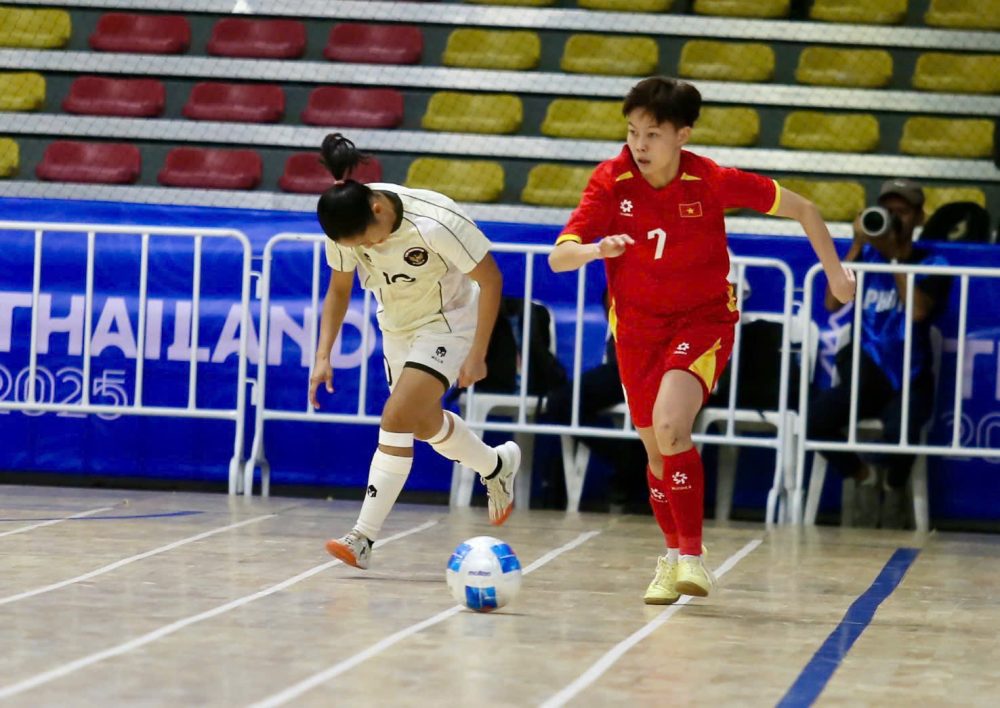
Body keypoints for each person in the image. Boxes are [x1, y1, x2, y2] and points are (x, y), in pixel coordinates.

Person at [547, 77, 856, 604]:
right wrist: (598, 249)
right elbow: (559, 257)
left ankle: (692, 556)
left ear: (682, 135)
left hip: (702, 322)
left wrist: (835, 274)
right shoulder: (611, 180)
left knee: (672, 425)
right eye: (632, 132)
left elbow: (805, 209)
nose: (639, 144)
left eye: (652, 134)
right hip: (637, 331)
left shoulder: (710, 180)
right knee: (656, 452)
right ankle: (671, 558)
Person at [309, 134, 520, 569]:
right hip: (397, 325)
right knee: (423, 425)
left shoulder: (436, 221)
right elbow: (339, 289)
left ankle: (362, 537)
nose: (367, 250)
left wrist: (478, 353)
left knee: (395, 417)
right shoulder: (345, 225)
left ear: (379, 209)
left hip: (448, 321)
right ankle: (496, 465)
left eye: (368, 241)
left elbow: (491, 279)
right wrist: (322, 354)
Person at [810, 178, 951, 528]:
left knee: (904, 430)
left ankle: (894, 485)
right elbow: (831, 303)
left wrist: (895, 258)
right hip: (866, 373)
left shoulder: (934, 262)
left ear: (919, 218)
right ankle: (864, 476)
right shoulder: (865, 258)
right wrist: (858, 245)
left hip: (910, 375)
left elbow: (918, 311)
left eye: (903, 212)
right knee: (814, 421)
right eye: (887, 210)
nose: (894, 218)